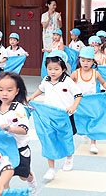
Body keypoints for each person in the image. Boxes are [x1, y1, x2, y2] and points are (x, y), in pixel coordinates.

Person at [28, 50, 82, 181]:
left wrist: (73, 107)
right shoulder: (46, 80)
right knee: (49, 139)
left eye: (56, 69)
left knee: (66, 138)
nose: (52, 72)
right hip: (49, 116)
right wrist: (32, 96)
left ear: (63, 69)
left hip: (65, 116)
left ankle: (69, 158)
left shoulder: (67, 81)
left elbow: (78, 95)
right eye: (49, 68)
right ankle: (51, 169)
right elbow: (41, 89)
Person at [0, 72, 37, 190]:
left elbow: (24, 130)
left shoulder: (19, 108)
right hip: (3, 148)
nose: (4, 94)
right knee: (4, 177)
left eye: (9, 90)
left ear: (17, 91)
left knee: (23, 175)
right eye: (1, 90)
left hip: (20, 148)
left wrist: (10, 129)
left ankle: (31, 178)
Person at [70, 46, 106, 154]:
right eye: (83, 60)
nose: (85, 63)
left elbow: (103, 82)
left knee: (94, 121)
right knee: (79, 120)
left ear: (93, 62)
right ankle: (83, 133)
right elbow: (68, 84)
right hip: (79, 102)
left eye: (88, 61)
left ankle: (93, 143)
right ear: (79, 60)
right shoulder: (76, 73)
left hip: (92, 102)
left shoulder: (95, 73)